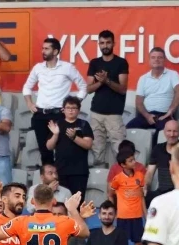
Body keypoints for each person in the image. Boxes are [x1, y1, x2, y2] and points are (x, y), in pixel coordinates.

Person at [23, 37, 87, 165]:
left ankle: (62, 177)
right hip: (40, 115)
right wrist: (29, 103)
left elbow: (83, 87)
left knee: (62, 150)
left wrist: (71, 105)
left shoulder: (67, 67)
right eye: (43, 48)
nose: (43, 51)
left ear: (56, 51)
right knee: (44, 151)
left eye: (47, 49)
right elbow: (26, 87)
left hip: (60, 115)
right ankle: (48, 177)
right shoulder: (38, 68)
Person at [87, 30, 128, 166]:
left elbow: (123, 89)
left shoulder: (121, 62)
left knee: (119, 150)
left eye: (108, 42)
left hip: (114, 114)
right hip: (96, 113)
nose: (105, 46)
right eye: (102, 43)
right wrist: (101, 82)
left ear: (113, 44)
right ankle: (99, 176)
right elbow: (88, 89)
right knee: (97, 151)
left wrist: (107, 81)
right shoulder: (94, 63)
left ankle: (120, 176)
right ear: (98, 44)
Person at [46, 96, 94, 201]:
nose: (71, 110)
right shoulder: (57, 124)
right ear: (63, 110)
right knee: (61, 202)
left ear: (78, 110)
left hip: (79, 171)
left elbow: (88, 145)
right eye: (68, 108)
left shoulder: (83, 124)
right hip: (60, 170)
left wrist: (74, 137)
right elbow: (49, 146)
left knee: (77, 202)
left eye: (74, 108)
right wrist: (55, 134)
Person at [128, 48, 179, 134]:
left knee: (163, 134)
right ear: (149, 60)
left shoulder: (173, 74)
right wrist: (147, 116)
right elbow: (138, 102)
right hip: (146, 115)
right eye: (153, 57)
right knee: (128, 130)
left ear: (164, 60)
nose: (156, 60)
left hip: (164, 115)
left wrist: (170, 111)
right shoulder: (143, 78)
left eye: (159, 57)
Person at [109, 149, 146, 245]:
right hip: (123, 217)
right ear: (123, 165)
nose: (134, 162)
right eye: (130, 161)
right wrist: (114, 211)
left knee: (139, 244)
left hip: (137, 217)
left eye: (134, 159)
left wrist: (146, 215)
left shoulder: (140, 176)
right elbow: (110, 194)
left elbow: (141, 196)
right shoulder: (117, 179)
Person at [145, 120, 179, 205]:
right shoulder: (158, 149)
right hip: (161, 192)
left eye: (175, 131)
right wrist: (145, 187)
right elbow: (149, 172)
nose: (172, 134)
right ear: (164, 132)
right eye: (169, 131)